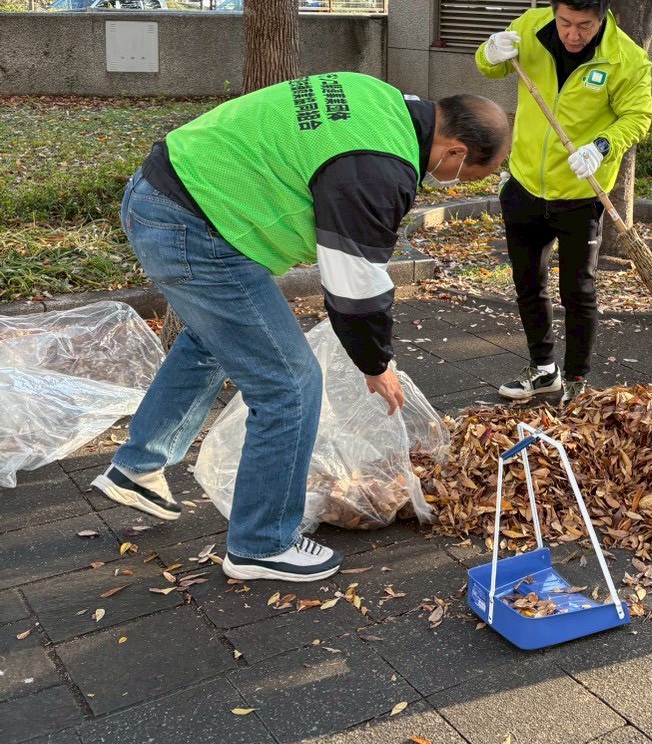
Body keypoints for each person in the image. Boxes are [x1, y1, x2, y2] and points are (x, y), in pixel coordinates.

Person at [92, 75, 509, 583]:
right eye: (463, 177)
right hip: (195, 225)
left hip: (162, 194)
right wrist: (376, 364)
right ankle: (261, 544)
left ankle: (138, 466)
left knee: (211, 339)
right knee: (290, 384)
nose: (447, 184)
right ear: (454, 152)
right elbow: (353, 282)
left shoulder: (380, 99)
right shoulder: (379, 168)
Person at [476, 0, 652, 405]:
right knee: (528, 283)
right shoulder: (529, 29)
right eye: (565, 23)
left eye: (585, 26)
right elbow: (490, 69)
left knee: (579, 290)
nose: (573, 35)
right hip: (523, 186)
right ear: (554, 13)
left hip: (580, 194)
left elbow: (639, 117)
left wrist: (602, 145)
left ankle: (576, 380)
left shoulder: (626, 59)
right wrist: (488, 52)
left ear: (603, 18)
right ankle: (543, 371)